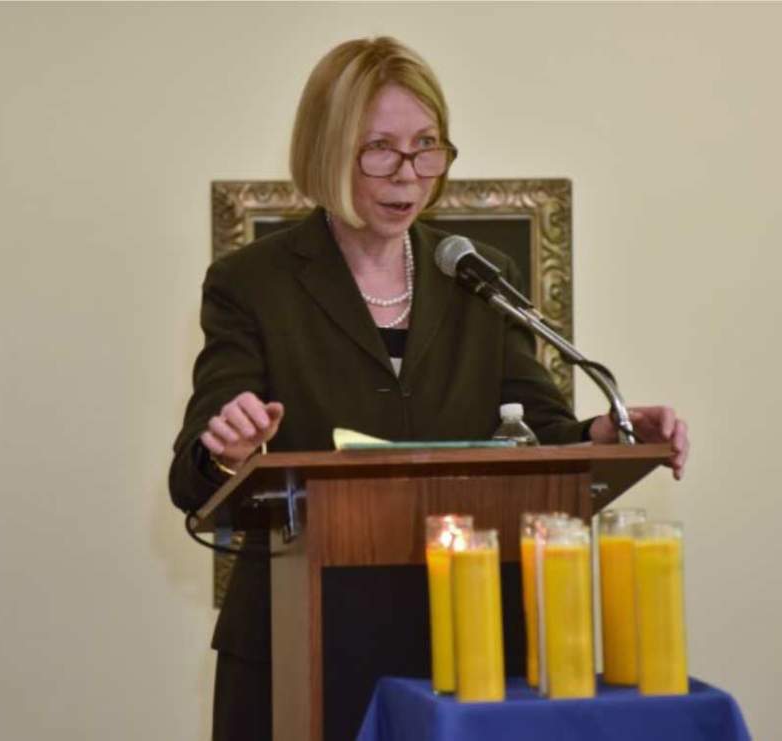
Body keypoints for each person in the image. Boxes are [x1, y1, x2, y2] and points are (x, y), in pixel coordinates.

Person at [169, 36, 690, 741]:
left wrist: (604, 433)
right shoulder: (252, 283)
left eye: (425, 147)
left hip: (466, 639)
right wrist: (227, 449)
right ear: (327, 149)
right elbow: (192, 473)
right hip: (300, 639)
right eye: (379, 149)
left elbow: (540, 429)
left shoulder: (475, 275)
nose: (408, 173)